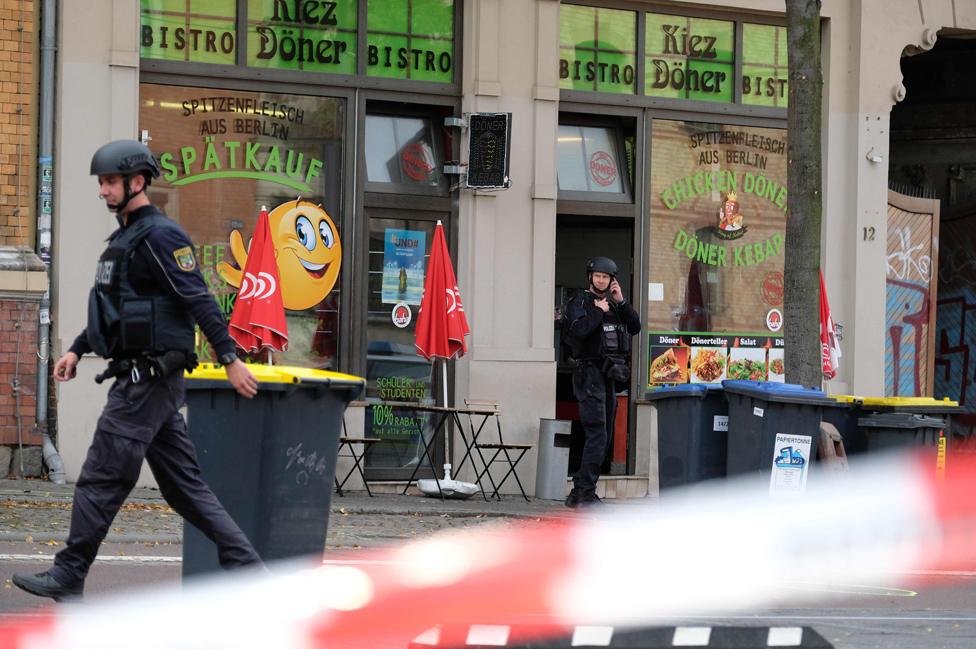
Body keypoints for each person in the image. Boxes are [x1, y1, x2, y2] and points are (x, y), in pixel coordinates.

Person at [13, 140, 262, 602]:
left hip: (145, 382)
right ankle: (249, 569)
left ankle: (69, 573)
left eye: (110, 182)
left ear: (137, 182)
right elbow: (117, 310)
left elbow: (199, 299)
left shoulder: (161, 237)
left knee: (101, 476)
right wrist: (77, 348)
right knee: (184, 488)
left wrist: (229, 359)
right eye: (102, 182)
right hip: (149, 382)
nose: (103, 190)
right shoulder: (124, 241)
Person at [562, 256, 640, 508]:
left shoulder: (613, 304)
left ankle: (580, 492)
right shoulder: (580, 302)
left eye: (606, 277)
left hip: (608, 376)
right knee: (597, 433)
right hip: (589, 374)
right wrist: (597, 311)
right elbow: (580, 331)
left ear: (611, 280)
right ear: (590, 276)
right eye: (597, 276)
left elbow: (635, 326)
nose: (601, 280)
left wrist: (621, 301)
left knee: (604, 436)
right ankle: (584, 494)